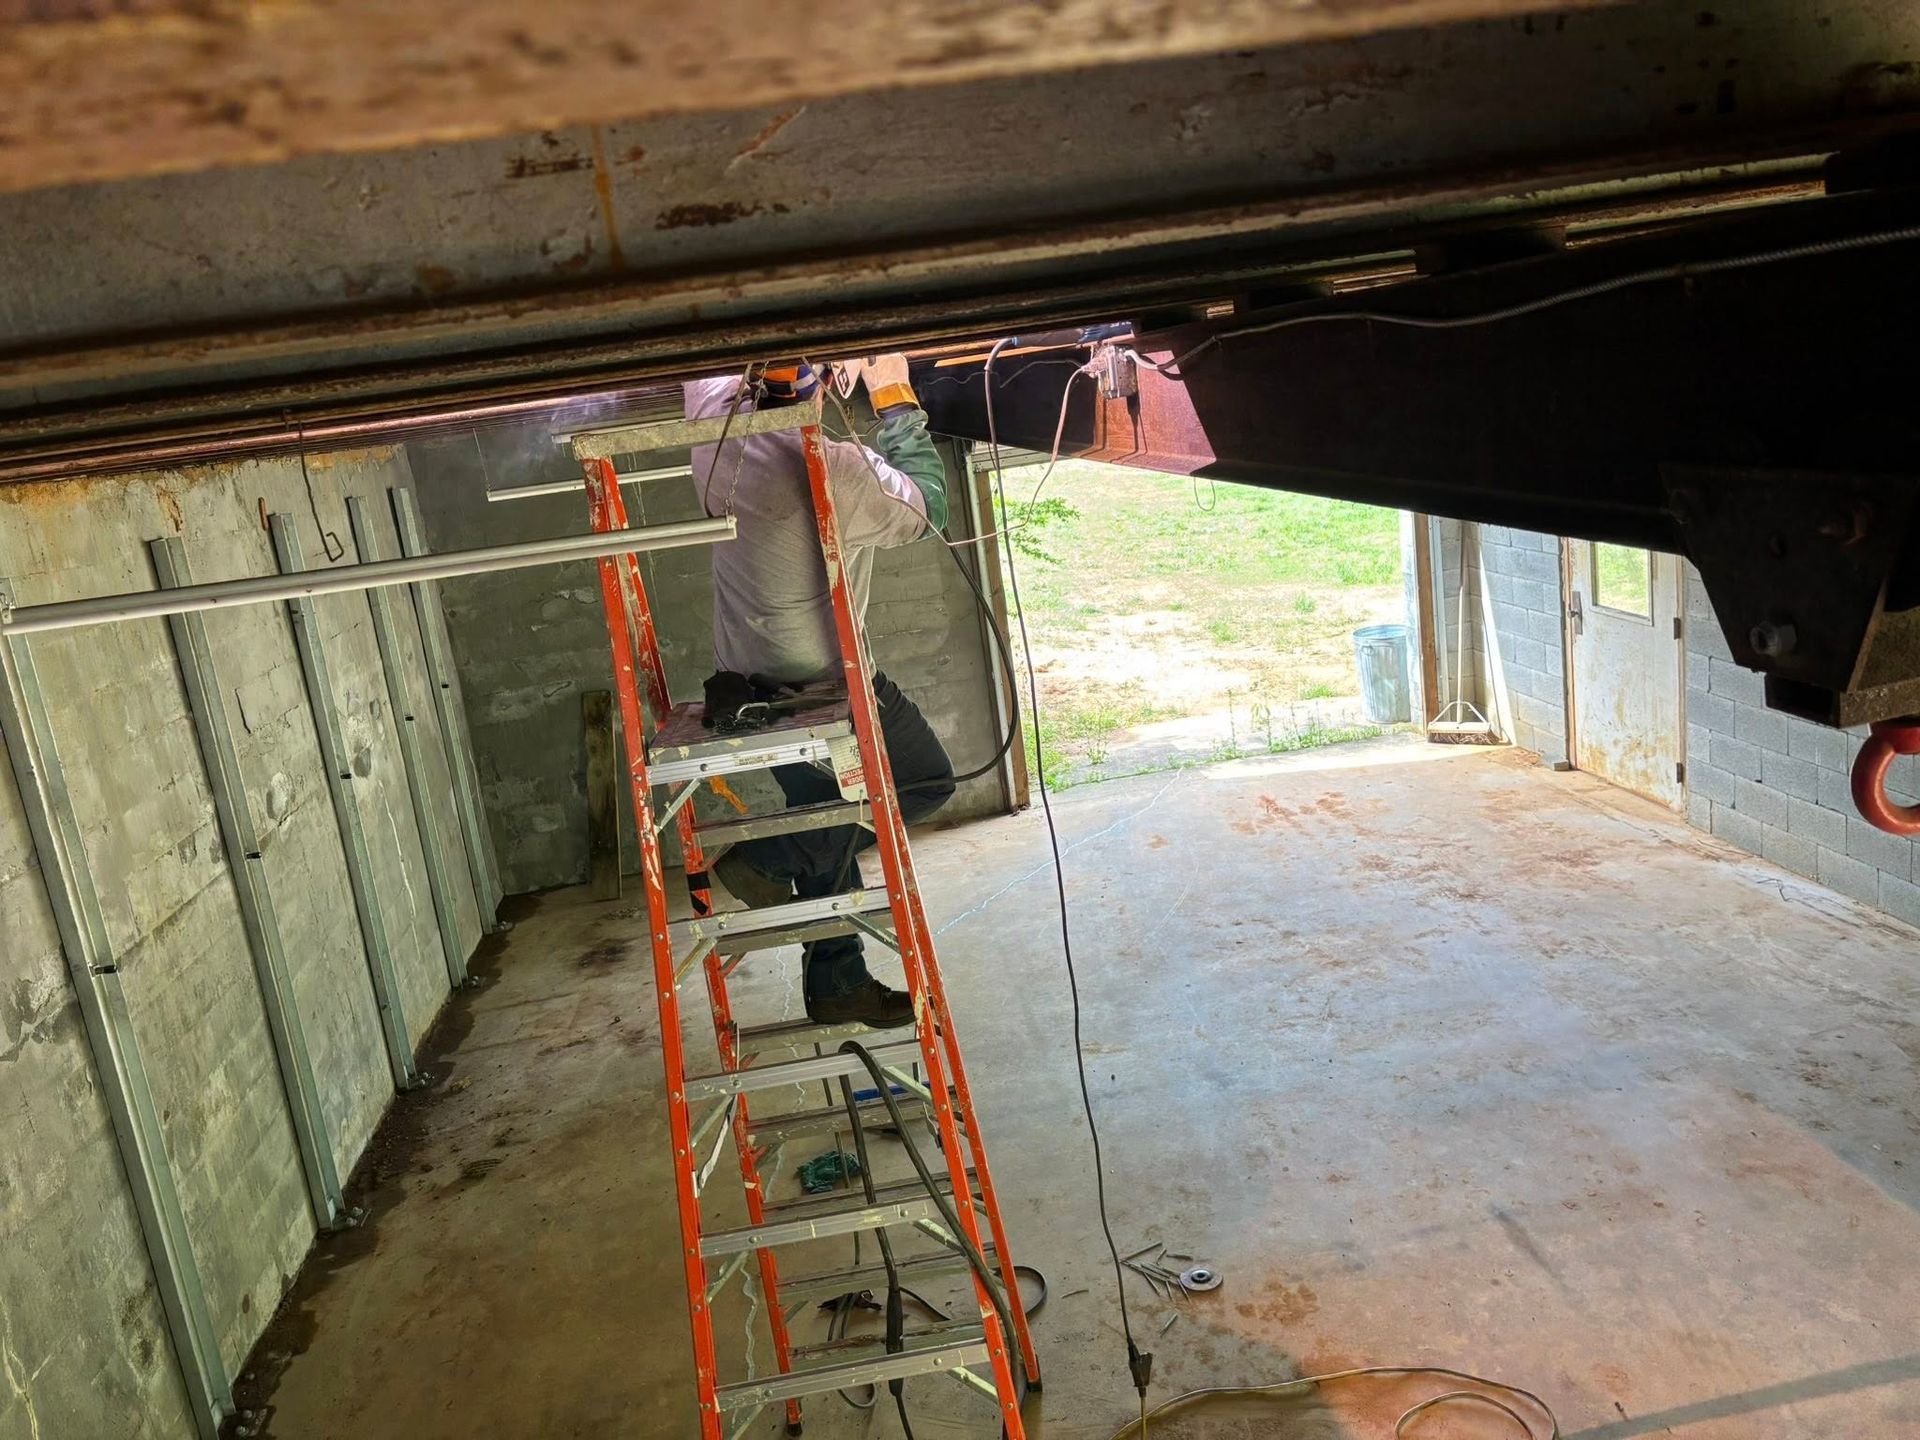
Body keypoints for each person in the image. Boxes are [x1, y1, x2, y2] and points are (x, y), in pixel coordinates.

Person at [683, 357, 955, 1029]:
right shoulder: (834, 469)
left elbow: (713, 362)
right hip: (822, 692)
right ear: (827, 379)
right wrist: (892, 394)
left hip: (744, 686)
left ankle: (836, 980)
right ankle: (764, 860)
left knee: (826, 810)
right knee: (923, 783)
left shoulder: (712, 420)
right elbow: (931, 506)